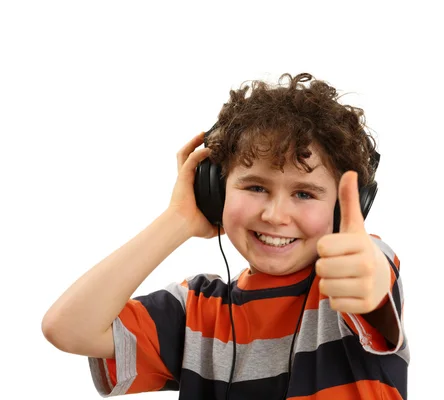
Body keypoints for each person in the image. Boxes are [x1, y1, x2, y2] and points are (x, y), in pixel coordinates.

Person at [42, 72, 410, 399]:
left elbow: (371, 279)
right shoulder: (196, 312)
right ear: (215, 192)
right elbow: (68, 328)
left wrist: (370, 281)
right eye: (254, 187)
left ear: (346, 207)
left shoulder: (351, 272)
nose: (275, 215)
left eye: (304, 193)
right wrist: (179, 219)